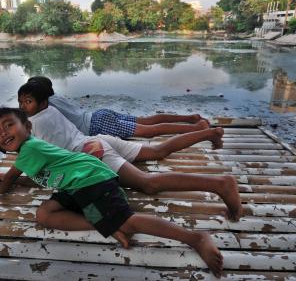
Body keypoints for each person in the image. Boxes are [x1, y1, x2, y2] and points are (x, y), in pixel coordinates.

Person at [0, 107, 224, 277]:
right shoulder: (28, 153)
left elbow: (9, 181)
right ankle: (107, 224)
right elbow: (35, 178)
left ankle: (195, 238)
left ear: (26, 126)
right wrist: (12, 181)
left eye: (8, 125)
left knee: (130, 222)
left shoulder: (28, 150)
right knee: (45, 213)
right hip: (75, 185)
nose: (3, 133)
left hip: (91, 180)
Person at [17, 81, 242, 221]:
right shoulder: (50, 111)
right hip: (96, 140)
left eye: (26, 102)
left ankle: (220, 184)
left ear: (42, 101)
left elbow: (24, 160)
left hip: (93, 154)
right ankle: (208, 133)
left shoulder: (34, 125)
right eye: (20, 103)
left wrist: (10, 179)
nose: (22, 107)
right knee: (158, 151)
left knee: (148, 183)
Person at [28, 76, 211, 138]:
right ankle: (190, 118)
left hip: (96, 126)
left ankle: (196, 128)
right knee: (148, 121)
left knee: (149, 131)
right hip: (98, 115)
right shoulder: (56, 97)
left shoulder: (46, 108)